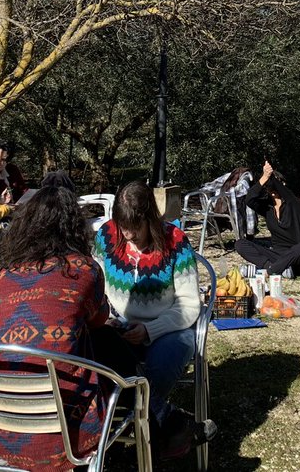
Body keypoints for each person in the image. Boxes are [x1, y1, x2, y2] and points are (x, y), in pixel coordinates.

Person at [0, 186, 112, 472]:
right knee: (106, 339)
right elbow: (99, 320)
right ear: (75, 228)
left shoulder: (0, 281)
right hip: (70, 439)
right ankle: (162, 420)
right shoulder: (84, 270)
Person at [93, 180, 204, 460]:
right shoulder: (106, 237)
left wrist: (151, 330)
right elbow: (94, 287)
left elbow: (190, 305)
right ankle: (164, 425)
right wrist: (106, 318)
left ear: (150, 219)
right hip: (116, 325)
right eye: (123, 228)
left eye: (135, 229)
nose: (128, 235)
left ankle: (128, 425)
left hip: (168, 327)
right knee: (90, 350)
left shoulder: (175, 242)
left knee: (168, 355)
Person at [235, 160, 300, 276]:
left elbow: (286, 194)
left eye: (273, 181)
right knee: (240, 244)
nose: (271, 185)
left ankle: (269, 272)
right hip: (278, 256)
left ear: (283, 185)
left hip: (298, 258)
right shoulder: (267, 208)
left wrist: (270, 176)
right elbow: (249, 199)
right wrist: (264, 177)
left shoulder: (295, 204)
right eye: (269, 183)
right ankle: (276, 268)